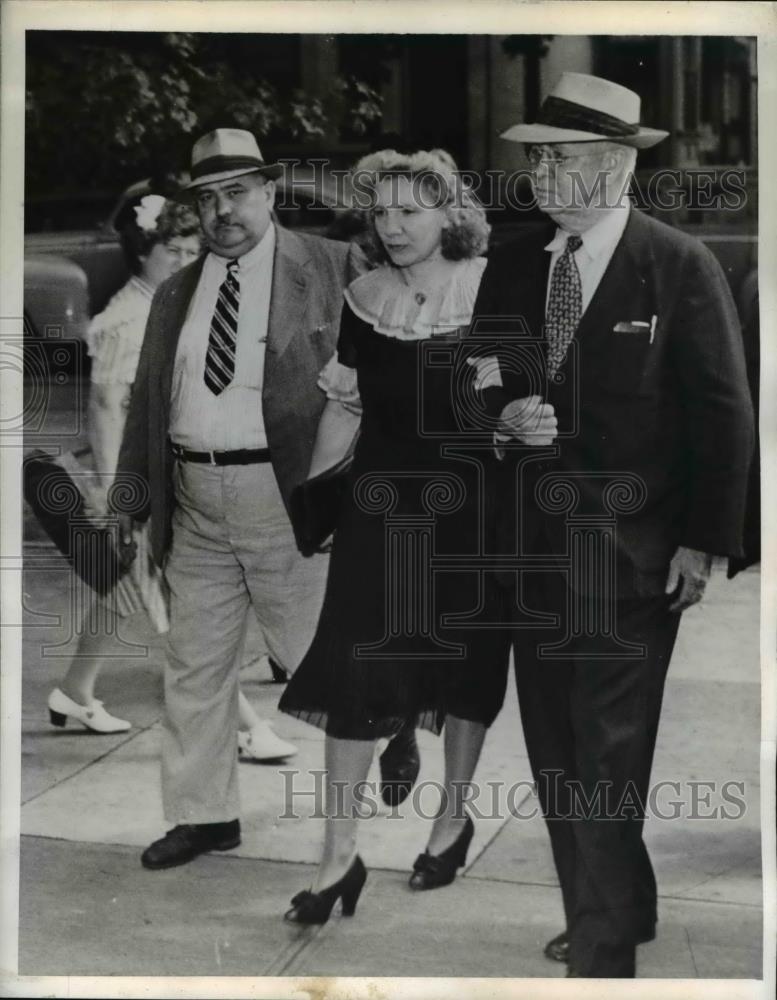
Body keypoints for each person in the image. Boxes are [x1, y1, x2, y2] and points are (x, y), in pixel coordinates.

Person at [473, 73, 754, 977]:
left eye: (557, 157)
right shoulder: (516, 262)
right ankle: (607, 908)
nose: (541, 173)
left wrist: (704, 542)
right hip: (529, 551)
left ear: (610, 164)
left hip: (630, 562)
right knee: (555, 749)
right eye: (538, 158)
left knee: (607, 752)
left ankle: (603, 947)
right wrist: (501, 416)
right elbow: (474, 377)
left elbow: (724, 416)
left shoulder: (676, 265)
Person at [114, 128, 363, 870]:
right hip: (193, 498)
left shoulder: (332, 266)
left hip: (287, 497)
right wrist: (131, 500)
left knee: (322, 662)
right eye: (208, 197)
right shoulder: (176, 293)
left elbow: (384, 383)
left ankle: (356, 810)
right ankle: (205, 816)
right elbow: (147, 404)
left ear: (269, 191)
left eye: (237, 192)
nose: (223, 211)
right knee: (193, 666)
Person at [278, 148, 511, 923]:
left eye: (410, 209)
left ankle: (451, 819)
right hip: (380, 505)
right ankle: (337, 855)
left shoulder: (491, 286)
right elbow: (345, 407)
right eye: (380, 212)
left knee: (466, 663)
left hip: (475, 505)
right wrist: (314, 505)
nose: (393, 225)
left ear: (451, 212)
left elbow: (519, 402)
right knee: (350, 668)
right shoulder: (364, 294)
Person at [47, 195, 200, 733]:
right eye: (172, 250)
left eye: (191, 248)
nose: (185, 259)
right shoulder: (126, 320)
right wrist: (117, 496)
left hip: (175, 470)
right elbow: (106, 407)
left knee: (136, 589)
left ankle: (74, 690)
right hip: (138, 481)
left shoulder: (170, 307)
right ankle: (241, 723)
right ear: (142, 254)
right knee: (173, 598)